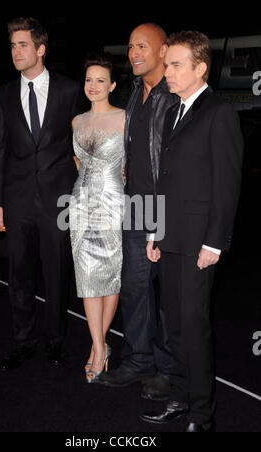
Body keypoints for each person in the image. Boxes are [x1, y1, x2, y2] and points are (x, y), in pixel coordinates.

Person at [140, 31, 243, 432]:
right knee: (176, 326)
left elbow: (227, 184)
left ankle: (203, 414)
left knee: (194, 328)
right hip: (169, 239)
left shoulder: (219, 112)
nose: (168, 72)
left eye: (176, 65)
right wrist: (154, 232)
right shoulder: (171, 111)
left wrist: (214, 243)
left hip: (200, 242)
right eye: (167, 65)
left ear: (200, 68)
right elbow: (164, 181)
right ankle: (180, 399)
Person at [0, 17, 83, 370]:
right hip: (16, 198)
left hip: (59, 198)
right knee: (20, 274)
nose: (16, 51)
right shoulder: (5, 93)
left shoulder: (69, 90)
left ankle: (55, 340)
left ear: (41, 49)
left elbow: (80, 144)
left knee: (58, 272)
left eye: (23, 44)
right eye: (12, 45)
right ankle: (23, 340)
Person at [100, 23, 178, 401]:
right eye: (130, 46)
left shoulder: (176, 94)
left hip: (169, 208)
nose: (133, 53)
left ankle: (168, 370)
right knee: (134, 285)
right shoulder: (135, 92)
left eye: (142, 46)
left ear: (164, 51)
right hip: (135, 206)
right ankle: (137, 359)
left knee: (168, 294)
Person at [69, 52, 125, 383]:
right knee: (88, 278)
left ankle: (98, 348)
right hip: (79, 204)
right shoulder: (77, 121)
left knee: (109, 276)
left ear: (112, 85)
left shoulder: (124, 117)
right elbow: (78, 165)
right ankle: (100, 346)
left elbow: (132, 166)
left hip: (113, 204)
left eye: (100, 80)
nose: (93, 86)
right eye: (89, 80)